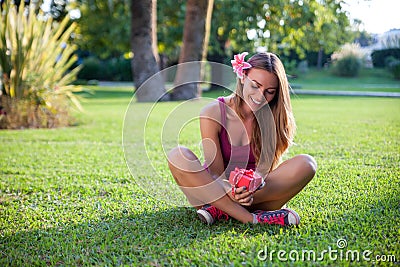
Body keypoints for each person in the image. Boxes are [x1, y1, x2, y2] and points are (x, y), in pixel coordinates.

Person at [167, 52, 317, 226]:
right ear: (243, 77)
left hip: (253, 197)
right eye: (255, 86)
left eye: (269, 91)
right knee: (177, 155)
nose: (260, 96)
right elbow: (215, 172)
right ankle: (251, 219)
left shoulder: (274, 119)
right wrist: (229, 190)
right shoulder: (213, 112)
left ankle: (223, 212)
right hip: (214, 193)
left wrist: (252, 186)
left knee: (307, 164)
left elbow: (265, 172)